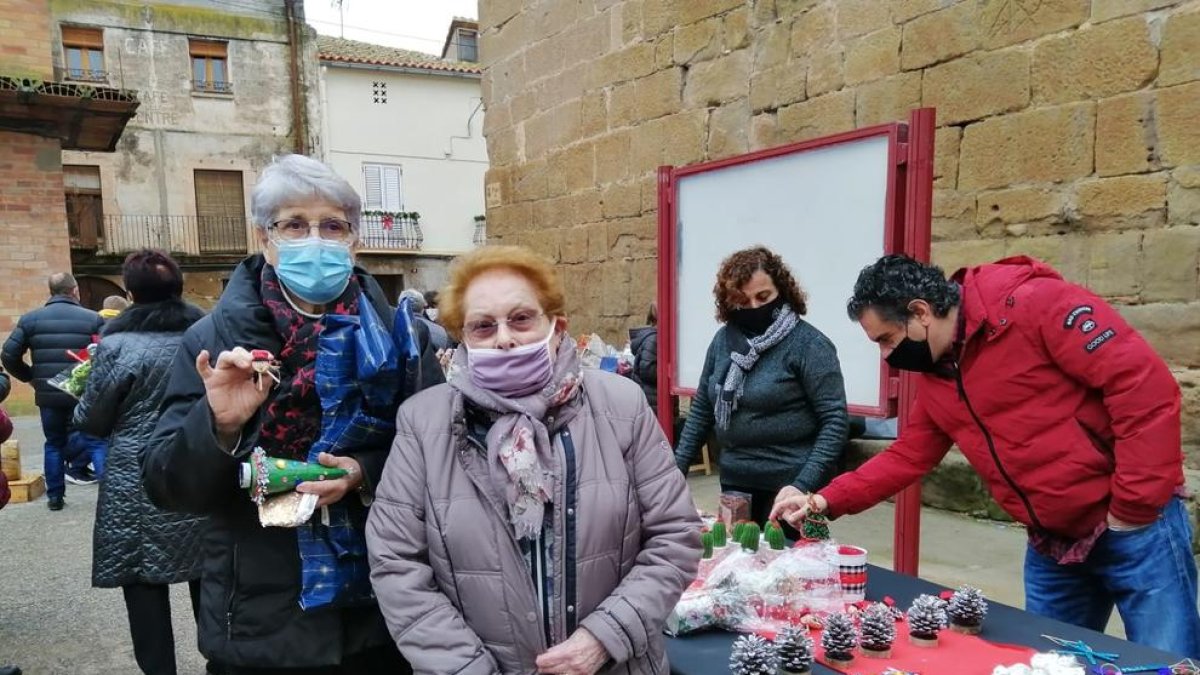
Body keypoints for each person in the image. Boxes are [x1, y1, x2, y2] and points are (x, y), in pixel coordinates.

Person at [771, 254, 1200, 657]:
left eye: (887, 339)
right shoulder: (939, 374)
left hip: (1134, 529)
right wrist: (823, 500)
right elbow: (908, 455)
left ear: (920, 312)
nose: (886, 356)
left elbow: (1143, 389)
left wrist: (1132, 508)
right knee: (1050, 661)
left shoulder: (1037, 305)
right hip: (1052, 541)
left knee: (1166, 659)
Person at [143, 154, 443, 673]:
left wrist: (364, 471)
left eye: (333, 226)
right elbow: (167, 486)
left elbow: (442, 452)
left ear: (354, 241)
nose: (315, 240)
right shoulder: (213, 341)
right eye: (295, 225)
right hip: (260, 620)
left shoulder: (403, 338)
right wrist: (219, 425)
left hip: (383, 612)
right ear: (265, 239)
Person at [366, 245, 700, 674]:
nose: (504, 338)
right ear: (462, 338)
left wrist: (604, 638)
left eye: (521, 318)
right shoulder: (423, 423)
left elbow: (674, 535)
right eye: (483, 326)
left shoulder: (622, 406)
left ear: (557, 327)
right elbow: (396, 562)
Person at [73, 250, 212, 675]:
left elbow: (91, 420)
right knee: (208, 572)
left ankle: (159, 669)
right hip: (197, 464)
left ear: (130, 293)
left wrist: (80, 393)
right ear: (180, 288)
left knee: (141, 580)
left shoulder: (116, 346)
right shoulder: (207, 337)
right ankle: (220, 660)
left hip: (134, 475)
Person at [673, 246, 850, 534]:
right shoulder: (722, 342)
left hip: (792, 488)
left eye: (764, 297)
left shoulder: (809, 345)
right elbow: (703, 409)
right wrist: (675, 470)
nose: (754, 307)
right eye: (743, 301)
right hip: (735, 482)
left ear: (782, 290)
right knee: (733, 555)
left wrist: (803, 484)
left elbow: (835, 421)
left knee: (790, 561)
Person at [2, 272, 105, 509]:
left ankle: (55, 498)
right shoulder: (93, 319)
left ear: (51, 291)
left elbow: (8, 355)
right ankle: (110, 496)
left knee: (54, 443)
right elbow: (108, 352)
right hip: (84, 393)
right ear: (75, 290)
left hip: (49, 394)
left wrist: (31, 378)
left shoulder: (30, 320)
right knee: (96, 441)